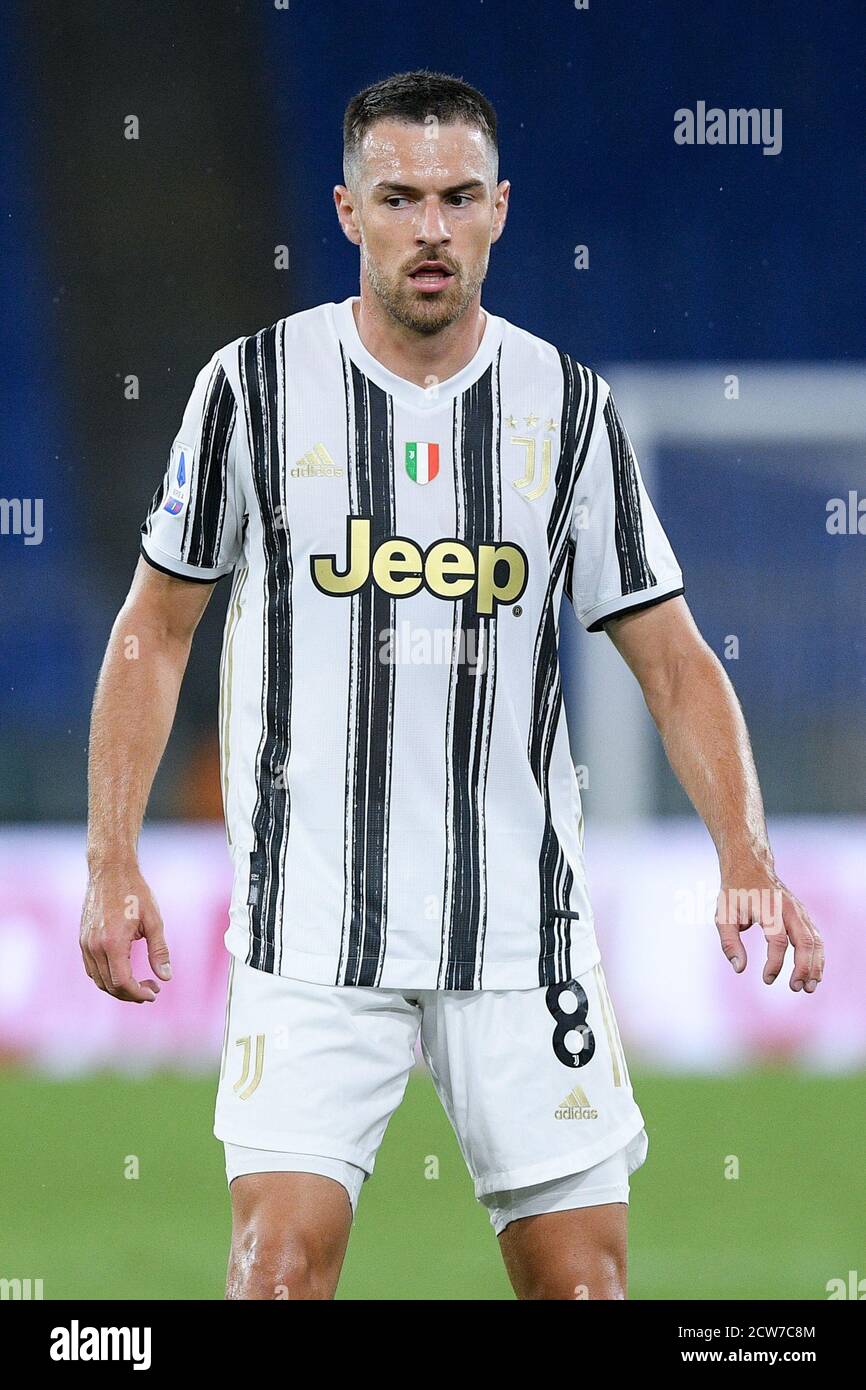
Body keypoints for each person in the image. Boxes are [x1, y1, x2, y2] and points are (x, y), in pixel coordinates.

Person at [80, 70, 824, 1300]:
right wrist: (112, 859)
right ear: (346, 211)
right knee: (275, 1275)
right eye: (399, 198)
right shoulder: (251, 390)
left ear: (498, 210)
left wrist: (744, 852)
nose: (429, 227)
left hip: (520, 934)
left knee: (582, 1288)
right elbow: (152, 632)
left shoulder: (566, 409)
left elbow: (674, 657)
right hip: (311, 930)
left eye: (457, 197)